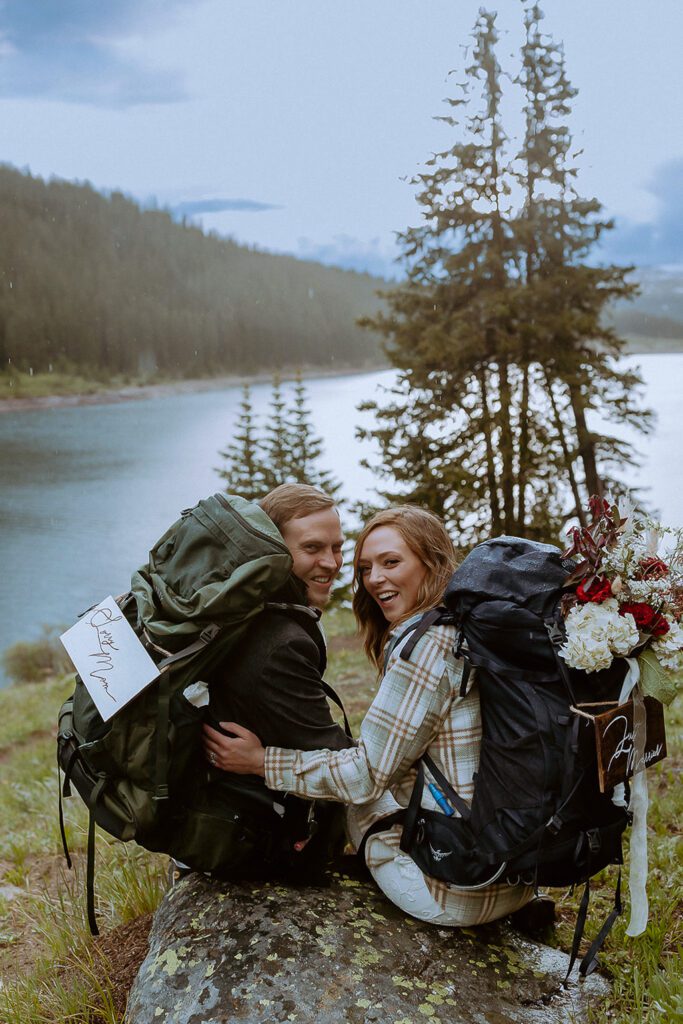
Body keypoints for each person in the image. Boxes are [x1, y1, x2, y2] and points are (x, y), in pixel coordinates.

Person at [203, 505, 535, 925]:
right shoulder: (467, 625)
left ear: (432, 563)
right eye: (364, 568)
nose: (374, 579)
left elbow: (363, 778)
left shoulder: (428, 647)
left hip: (453, 887)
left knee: (355, 802)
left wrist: (260, 761)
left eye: (391, 562)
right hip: (512, 871)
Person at [200, 482, 354, 880]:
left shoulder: (249, 610)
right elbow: (340, 762)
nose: (332, 562)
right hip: (255, 840)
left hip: (228, 809)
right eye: (313, 548)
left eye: (337, 547)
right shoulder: (282, 644)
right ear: (273, 550)